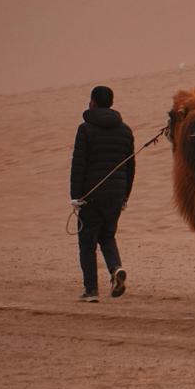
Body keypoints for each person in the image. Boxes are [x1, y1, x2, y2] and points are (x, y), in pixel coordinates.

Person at [70, 85, 135, 302]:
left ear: (94, 102)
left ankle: (91, 291)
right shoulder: (125, 130)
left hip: (91, 194)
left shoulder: (85, 129)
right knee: (107, 236)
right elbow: (131, 167)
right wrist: (125, 195)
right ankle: (116, 269)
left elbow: (79, 164)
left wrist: (75, 196)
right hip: (116, 194)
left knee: (87, 243)